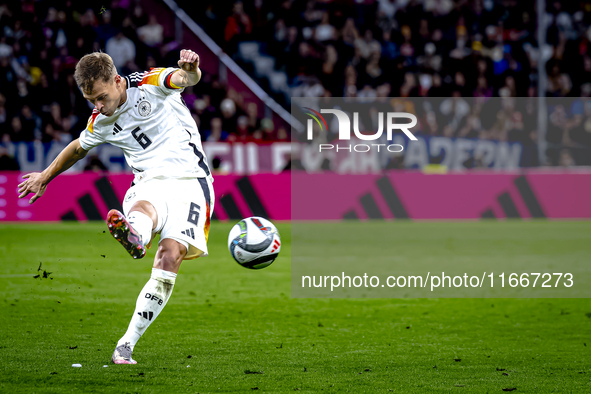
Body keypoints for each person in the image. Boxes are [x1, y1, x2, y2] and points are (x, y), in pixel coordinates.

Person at [17, 49, 214, 365]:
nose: (97, 105)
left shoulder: (149, 82)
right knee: (145, 209)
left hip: (191, 181)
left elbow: (184, 78)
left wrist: (191, 69)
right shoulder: (101, 120)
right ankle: (135, 235)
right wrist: (45, 176)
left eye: (101, 97)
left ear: (118, 81)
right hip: (149, 182)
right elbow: (78, 148)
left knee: (170, 256)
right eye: (91, 100)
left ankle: (126, 343)